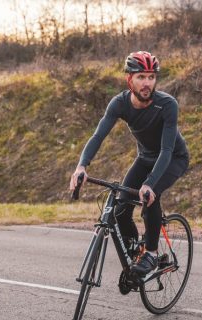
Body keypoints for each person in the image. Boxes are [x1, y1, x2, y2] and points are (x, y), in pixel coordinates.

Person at [69, 51, 189, 276]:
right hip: (145, 159)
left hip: (173, 159)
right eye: (141, 77)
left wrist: (150, 184)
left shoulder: (167, 105)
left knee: (149, 196)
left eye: (151, 77)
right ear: (129, 80)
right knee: (121, 209)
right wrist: (81, 166)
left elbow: (166, 150)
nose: (147, 83)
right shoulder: (120, 103)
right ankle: (137, 255)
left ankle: (151, 254)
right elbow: (98, 137)